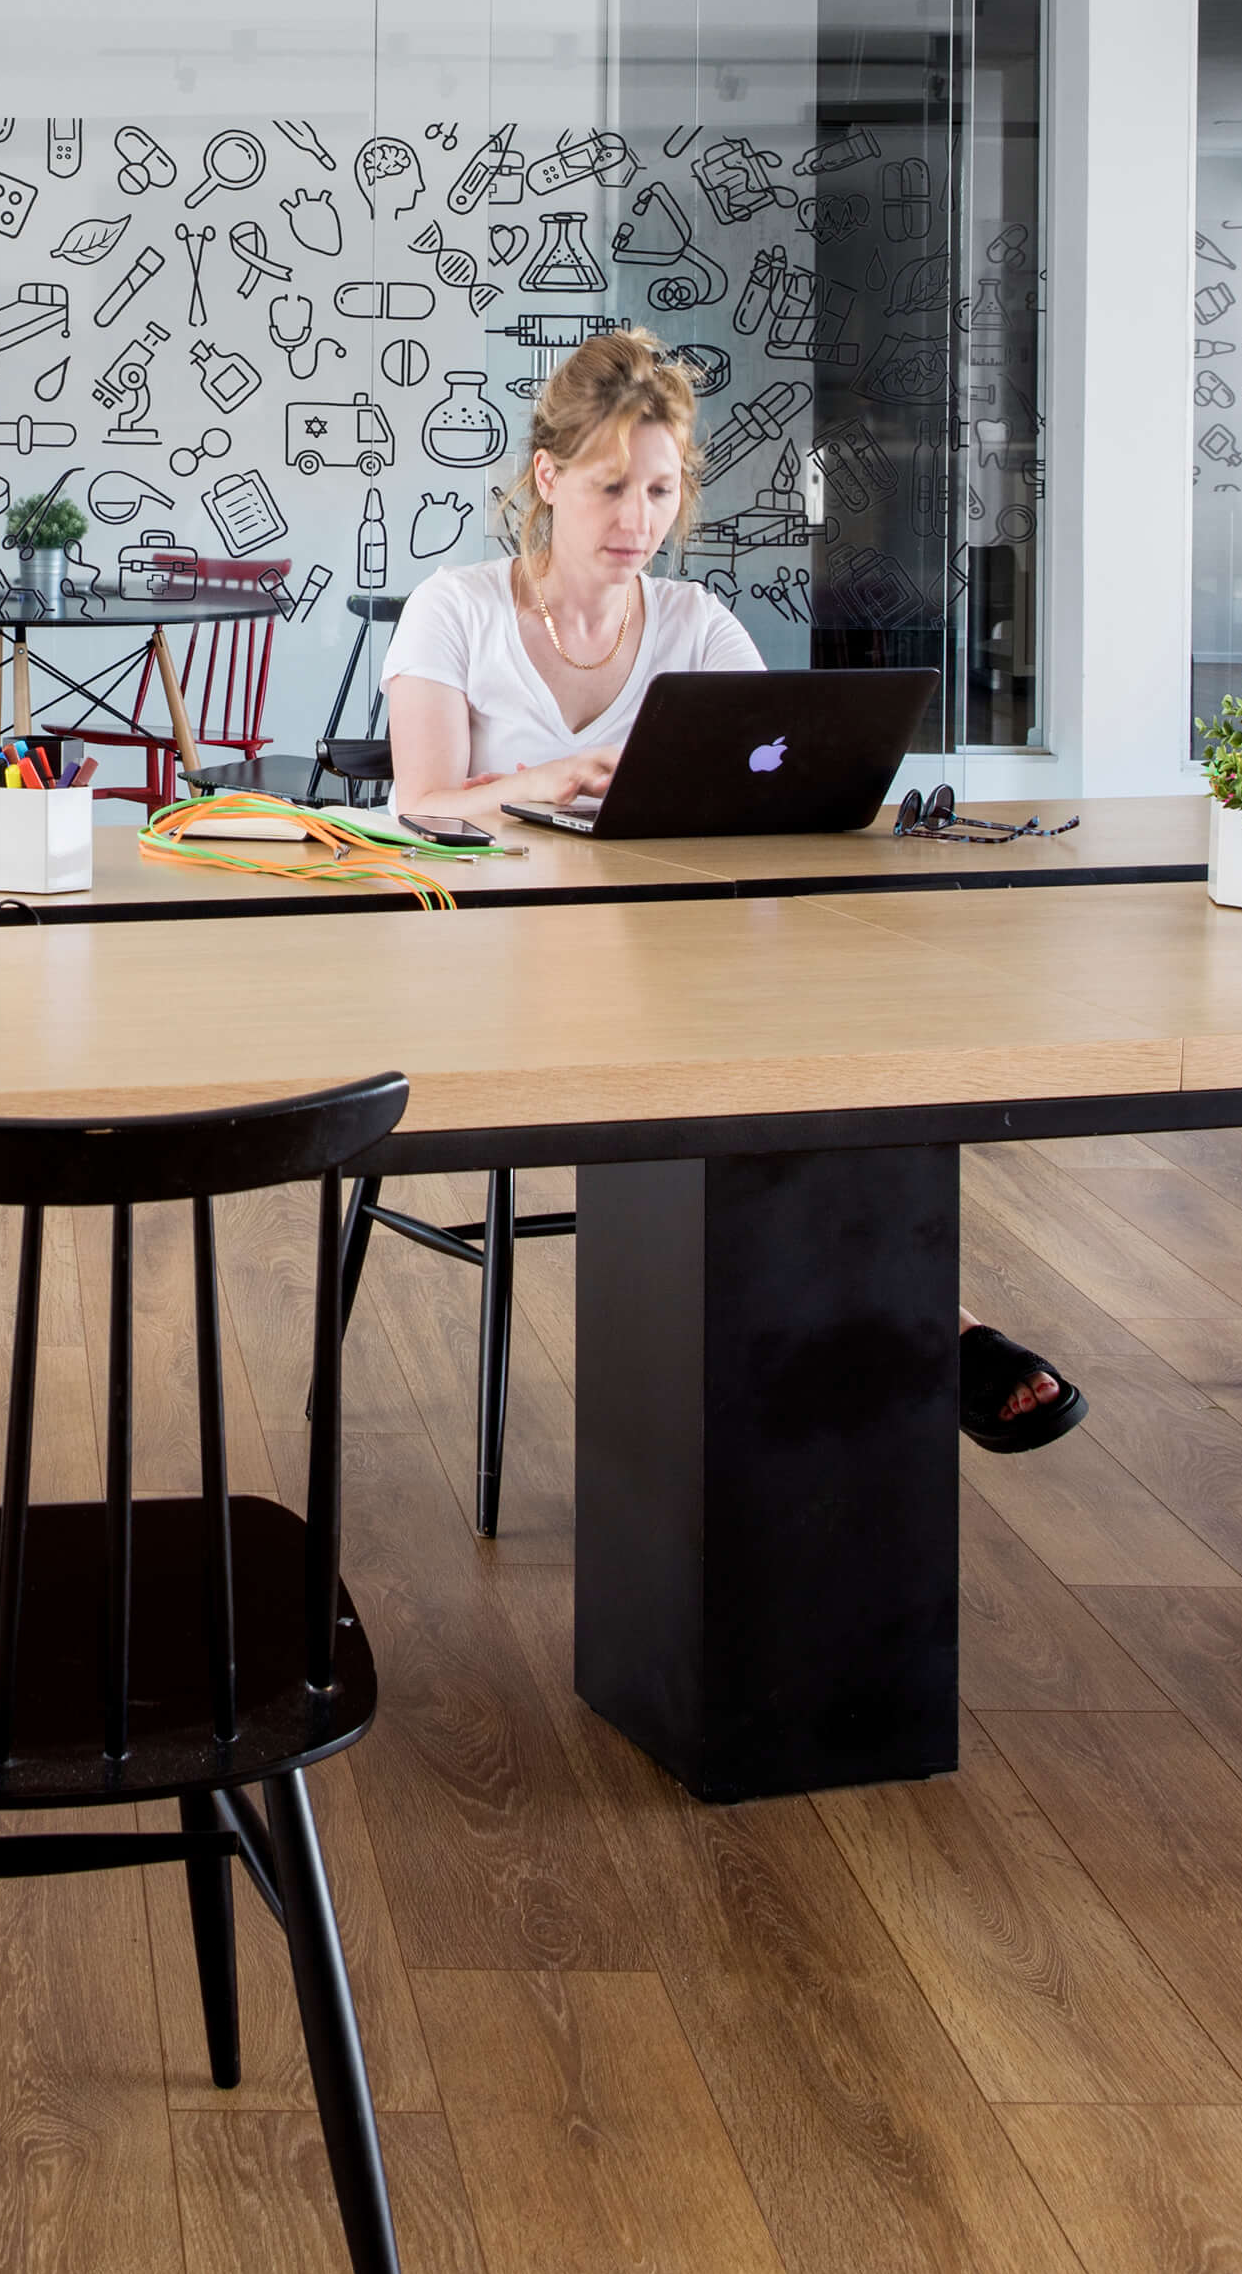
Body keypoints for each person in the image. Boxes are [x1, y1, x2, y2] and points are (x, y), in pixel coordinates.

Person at [383, 322, 1084, 1458]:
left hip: (663, 965)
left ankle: (906, 1325)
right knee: (760, 1072)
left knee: (828, 1050)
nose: (638, 520)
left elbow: (785, 770)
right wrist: (549, 778)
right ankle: (925, 1326)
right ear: (548, 479)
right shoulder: (454, 609)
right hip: (490, 972)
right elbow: (418, 800)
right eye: (612, 487)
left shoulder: (695, 624)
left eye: (661, 491)